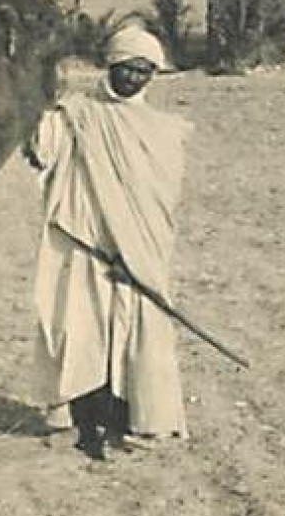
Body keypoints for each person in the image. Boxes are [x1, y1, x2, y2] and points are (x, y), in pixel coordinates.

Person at [23, 24, 193, 458]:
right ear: (110, 67)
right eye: (127, 68)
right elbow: (43, 152)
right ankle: (83, 422)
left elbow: (160, 203)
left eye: (144, 71)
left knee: (134, 329)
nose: (134, 78)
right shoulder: (77, 113)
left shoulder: (164, 131)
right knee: (81, 329)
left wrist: (136, 257)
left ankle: (126, 420)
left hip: (139, 254)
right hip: (84, 244)